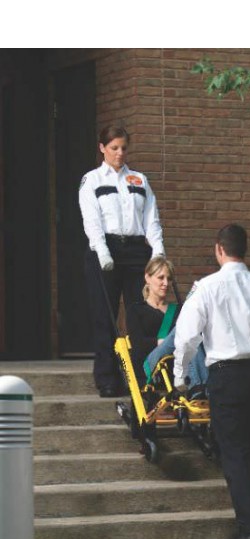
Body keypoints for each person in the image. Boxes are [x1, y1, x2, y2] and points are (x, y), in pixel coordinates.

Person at [173, 223, 250, 539]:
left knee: (235, 451)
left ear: (219, 249)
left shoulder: (206, 288)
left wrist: (180, 376)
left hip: (226, 375)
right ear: (244, 250)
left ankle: (249, 529)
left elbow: (186, 338)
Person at [79, 125, 166, 398]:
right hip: (105, 249)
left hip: (136, 251)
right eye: (114, 148)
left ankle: (142, 377)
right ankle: (107, 379)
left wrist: (158, 251)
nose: (119, 153)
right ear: (102, 148)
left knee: (140, 315)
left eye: (123, 148)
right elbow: (91, 219)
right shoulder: (92, 180)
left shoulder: (138, 180)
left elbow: (151, 219)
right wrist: (102, 250)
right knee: (104, 317)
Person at [126, 256, 208, 389]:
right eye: (161, 278)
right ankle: (199, 386)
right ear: (147, 278)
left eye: (169, 279)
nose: (166, 283)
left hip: (177, 366)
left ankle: (202, 388)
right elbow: (138, 344)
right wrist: (166, 341)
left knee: (193, 331)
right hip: (151, 365)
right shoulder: (136, 310)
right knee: (184, 332)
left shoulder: (178, 309)